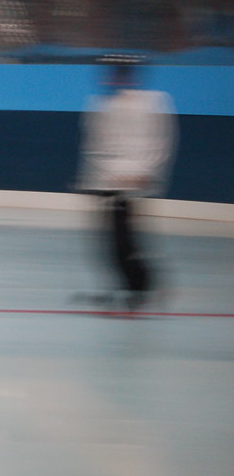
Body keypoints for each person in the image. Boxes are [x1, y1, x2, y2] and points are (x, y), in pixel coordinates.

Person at [76, 56, 177, 311]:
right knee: (110, 242)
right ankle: (127, 284)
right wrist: (89, 181)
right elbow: (94, 147)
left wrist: (145, 173)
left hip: (132, 184)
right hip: (106, 183)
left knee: (125, 240)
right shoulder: (100, 105)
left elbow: (161, 141)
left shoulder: (151, 103)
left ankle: (142, 285)